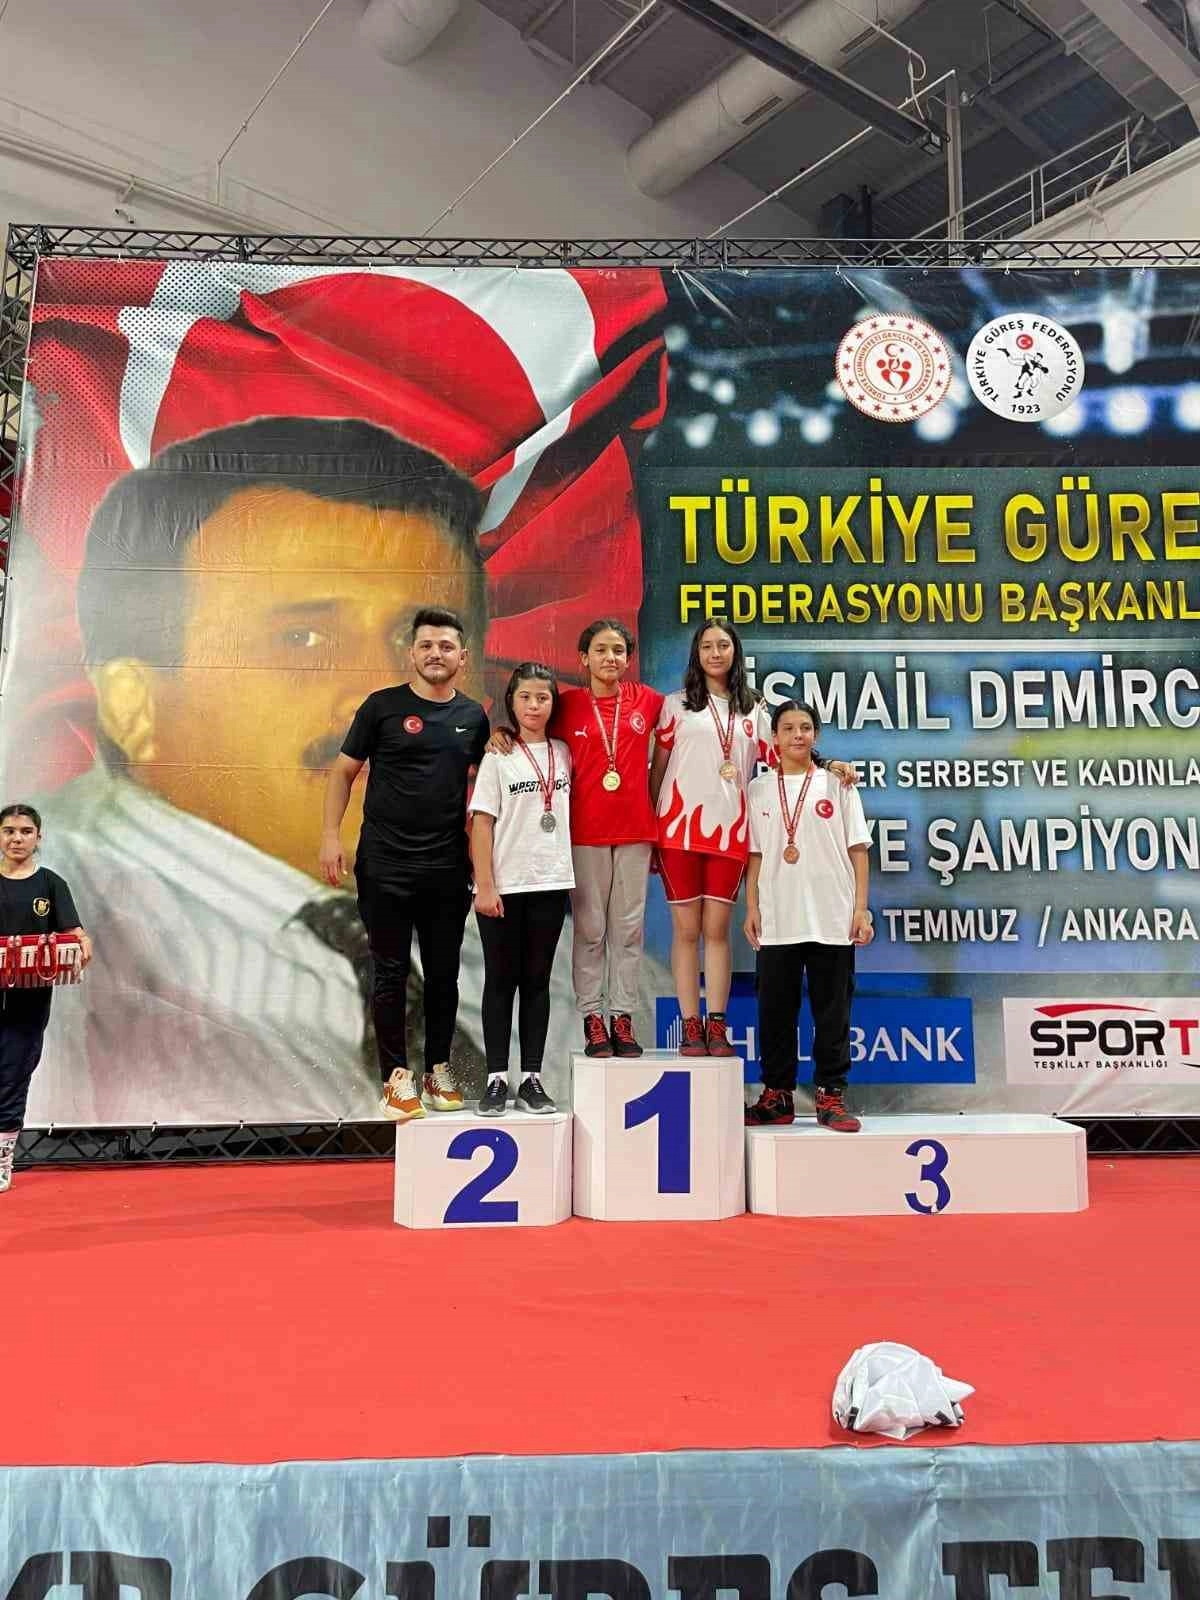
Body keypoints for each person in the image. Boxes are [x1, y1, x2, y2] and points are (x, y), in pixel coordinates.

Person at [29, 416, 490, 1124]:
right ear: (133, 705)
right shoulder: (52, 929)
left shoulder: (540, 942)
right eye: (302, 638)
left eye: (424, 642)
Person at [650, 618, 857, 1059]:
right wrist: (650, 827)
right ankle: (690, 1024)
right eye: (707, 646)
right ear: (697, 654)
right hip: (677, 831)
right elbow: (659, 769)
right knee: (686, 931)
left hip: (731, 834)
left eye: (723, 645)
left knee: (716, 931)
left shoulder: (754, 708)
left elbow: (787, 750)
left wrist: (829, 764)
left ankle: (717, 1023)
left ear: (735, 652)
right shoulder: (675, 705)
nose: (715, 653)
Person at [322, 608, 489, 1123]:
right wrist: (330, 836)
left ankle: (437, 1070)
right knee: (390, 973)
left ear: (463, 657)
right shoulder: (382, 707)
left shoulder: (474, 717)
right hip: (385, 865)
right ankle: (396, 1079)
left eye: (446, 646)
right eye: (427, 645)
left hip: (447, 867)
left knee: (442, 977)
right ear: (412, 653)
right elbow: (343, 773)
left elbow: (490, 788)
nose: (436, 654)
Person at [743, 701, 874, 1132]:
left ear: (815, 734)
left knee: (832, 1012)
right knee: (774, 1011)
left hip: (832, 915)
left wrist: (860, 908)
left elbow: (858, 849)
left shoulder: (838, 784)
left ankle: (830, 1095)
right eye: (788, 728)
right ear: (774, 738)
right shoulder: (759, 789)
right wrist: (752, 907)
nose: (797, 735)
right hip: (778, 915)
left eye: (805, 727)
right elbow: (756, 854)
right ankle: (777, 1095)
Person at [468, 663, 573, 1116]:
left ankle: (531, 1079)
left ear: (553, 703)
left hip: (551, 882)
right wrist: (485, 885)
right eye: (525, 697)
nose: (534, 705)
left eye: (543, 697)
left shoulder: (565, 752)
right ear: (511, 701)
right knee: (499, 981)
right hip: (505, 887)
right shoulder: (499, 755)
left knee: (536, 982)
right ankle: (496, 1078)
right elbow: (481, 824)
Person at [0, 805, 92, 1191]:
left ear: (39, 837)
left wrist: (83, 944)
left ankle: (2, 1159)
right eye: (9, 830)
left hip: (30, 998)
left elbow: (74, 932)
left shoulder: (51, 884)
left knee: (13, 1073)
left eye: (25, 831)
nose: (17, 838)